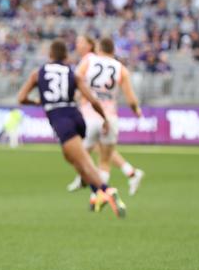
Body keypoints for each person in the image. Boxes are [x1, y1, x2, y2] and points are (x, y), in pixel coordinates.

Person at [17, 39, 127, 217]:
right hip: (77, 117)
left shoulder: (38, 73)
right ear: (66, 56)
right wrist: (104, 118)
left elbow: (21, 98)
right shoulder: (72, 73)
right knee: (73, 159)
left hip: (60, 118)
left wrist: (38, 102)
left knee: (82, 161)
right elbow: (92, 100)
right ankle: (95, 187)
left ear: (50, 55)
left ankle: (107, 191)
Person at [73, 37, 145, 195]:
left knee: (81, 154)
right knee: (104, 159)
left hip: (89, 114)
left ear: (98, 48)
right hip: (110, 117)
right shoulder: (121, 68)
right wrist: (137, 111)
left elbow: (75, 81)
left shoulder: (89, 62)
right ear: (113, 51)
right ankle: (98, 194)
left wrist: (75, 98)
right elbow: (131, 99)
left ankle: (84, 178)